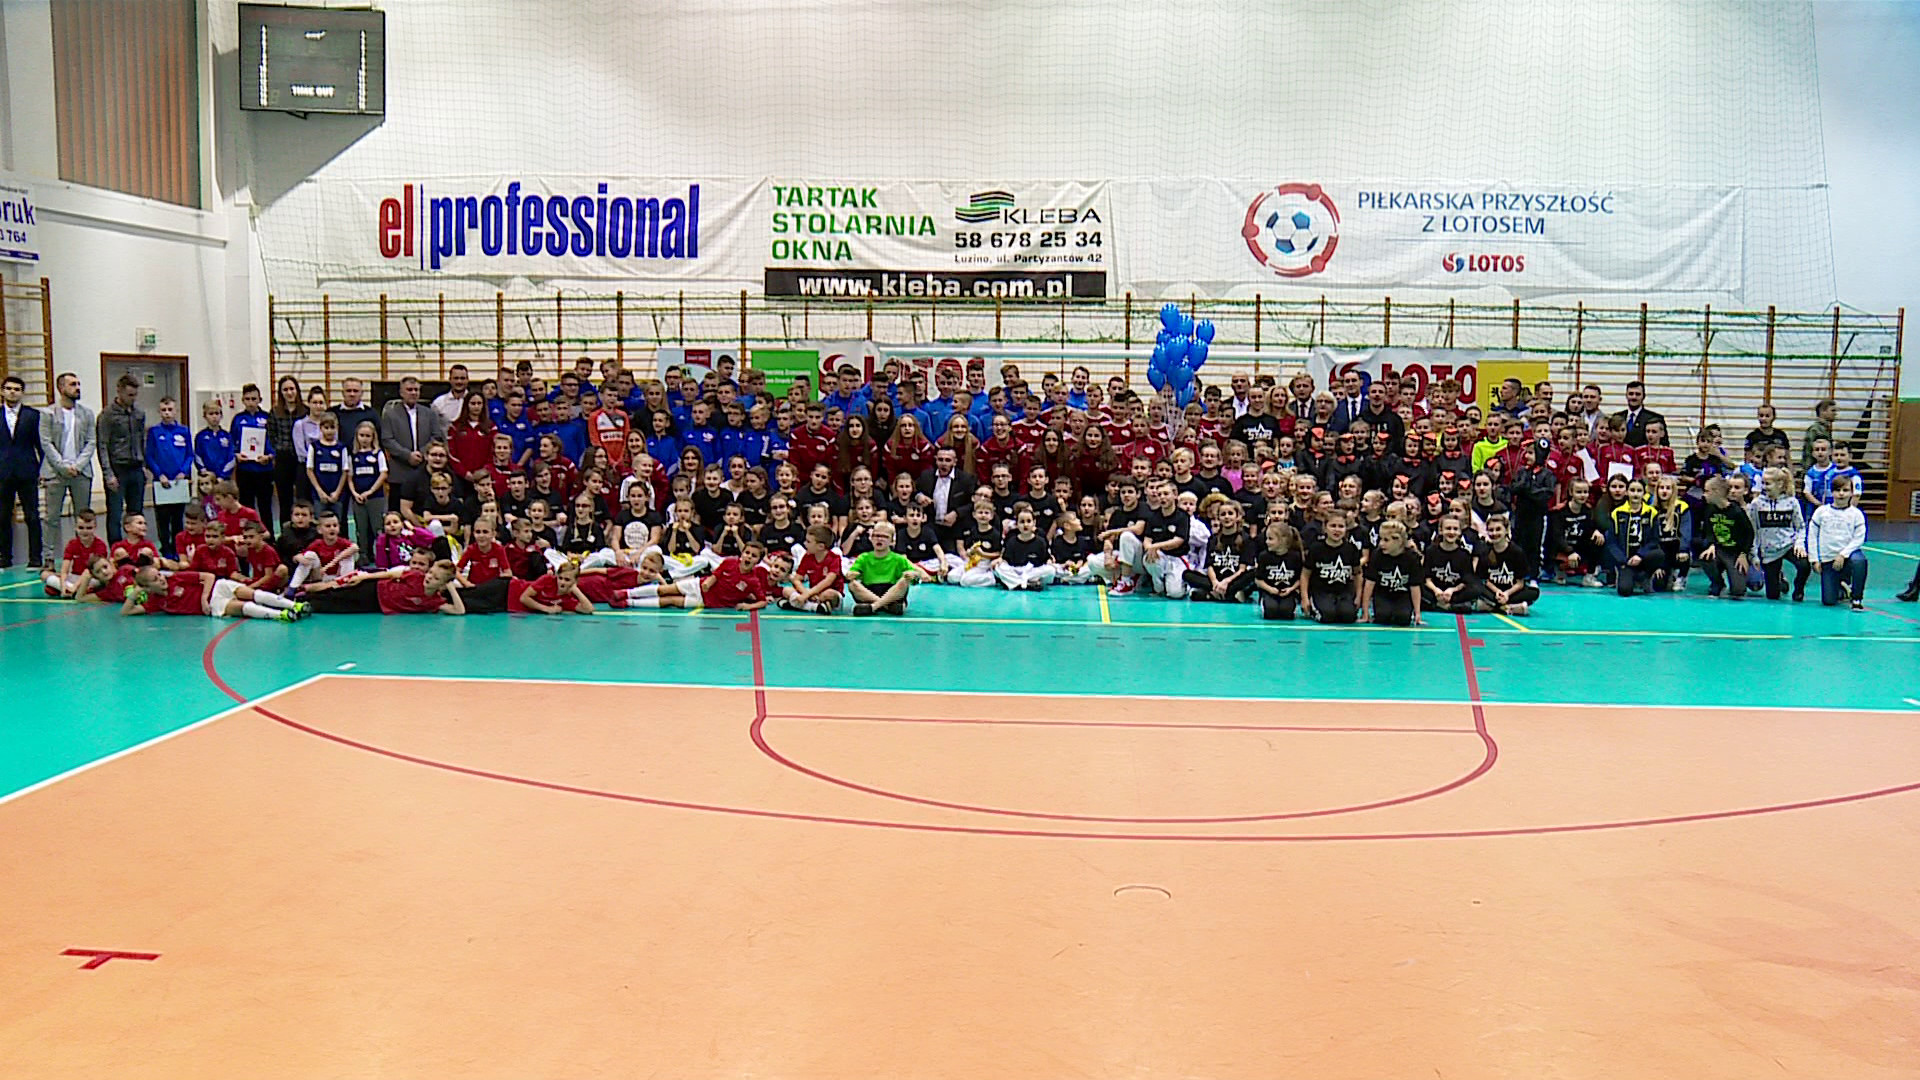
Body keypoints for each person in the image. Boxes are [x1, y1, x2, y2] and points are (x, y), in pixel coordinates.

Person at [39, 371, 96, 564]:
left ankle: (83, 556)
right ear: (61, 388)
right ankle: (48, 557)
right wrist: (63, 466)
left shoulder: (87, 414)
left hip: (81, 472)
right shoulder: (47, 414)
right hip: (55, 473)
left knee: (83, 517)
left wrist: (78, 465)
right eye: (73, 384)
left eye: (78, 384)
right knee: (52, 518)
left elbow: (91, 442)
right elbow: (46, 443)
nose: (77, 388)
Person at [122, 563, 309, 622]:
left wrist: (204, 597)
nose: (161, 579)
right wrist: (136, 592)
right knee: (244, 607)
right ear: (148, 588)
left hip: (216, 588)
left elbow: (208, 576)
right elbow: (126, 612)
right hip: (214, 606)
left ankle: (295, 605)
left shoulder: (176, 578)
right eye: (155, 580)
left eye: (159, 575)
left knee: (254, 594)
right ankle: (281, 615)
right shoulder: (156, 603)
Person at [95, 373, 148, 543]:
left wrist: (144, 466)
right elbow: (102, 445)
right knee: (115, 514)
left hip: (136, 467)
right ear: (119, 391)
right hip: (118, 468)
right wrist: (108, 474)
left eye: (135, 395)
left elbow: (142, 440)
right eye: (129, 395)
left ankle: (137, 547)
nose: (133, 398)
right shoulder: (107, 415)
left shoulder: (139, 413)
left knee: (137, 513)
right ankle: (116, 549)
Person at [0, 374, 43, 569]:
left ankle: (35, 557)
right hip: (3, 473)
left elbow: (40, 445)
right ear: (2, 391)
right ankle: (4, 557)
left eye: (17, 389)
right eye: (9, 388)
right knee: (3, 516)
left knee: (32, 516)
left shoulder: (32, 415)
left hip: (27, 472)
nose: (12, 392)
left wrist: (43, 469)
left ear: (22, 393)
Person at [1749, 466, 1810, 602]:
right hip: (1769, 550)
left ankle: (1798, 589)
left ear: (1780, 484)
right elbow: (1753, 531)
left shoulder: (1792, 502)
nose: (1764, 487)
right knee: (1773, 596)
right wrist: (1754, 555)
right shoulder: (1756, 504)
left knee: (1804, 565)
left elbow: (1800, 527)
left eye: (1768, 483)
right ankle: (1780, 580)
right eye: (1763, 483)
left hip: (1788, 545)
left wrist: (1799, 544)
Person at [380, 376, 448, 497]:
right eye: (409, 390)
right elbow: (387, 439)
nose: (413, 393)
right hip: (399, 470)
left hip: (425, 469)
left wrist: (422, 453)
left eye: (416, 390)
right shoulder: (390, 414)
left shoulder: (429, 413)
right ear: (401, 392)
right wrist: (407, 455)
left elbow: (436, 435)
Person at [1807, 475, 1868, 610]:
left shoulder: (1856, 514)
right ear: (1831, 492)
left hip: (1848, 557)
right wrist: (1815, 560)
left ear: (1851, 493)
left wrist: (1843, 554)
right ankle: (1841, 586)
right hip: (1828, 558)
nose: (1841, 494)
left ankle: (1856, 598)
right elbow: (1812, 536)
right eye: (1837, 490)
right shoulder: (1821, 512)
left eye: (1845, 490)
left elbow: (1859, 538)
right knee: (1829, 601)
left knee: (1859, 561)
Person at [143, 396, 193, 559]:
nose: (167, 413)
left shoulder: (184, 431)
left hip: (179, 481)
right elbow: (149, 456)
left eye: (170, 409)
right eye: (163, 410)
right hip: (161, 482)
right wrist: (159, 474)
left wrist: (183, 471)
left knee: (178, 518)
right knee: (163, 519)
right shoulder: (154, 432)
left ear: (176, 411)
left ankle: (178, 550)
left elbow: (189, 455)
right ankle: (165, 549)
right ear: (159, 412)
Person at [1696, 476, 1753, 600]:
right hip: (1719, 549)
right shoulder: (1709, 509)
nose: (1704, 495)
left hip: (1735, 552)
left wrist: (1743, 554)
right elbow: (1708, 530)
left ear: (1716, 492)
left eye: (1707, 491)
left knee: (1738, 591)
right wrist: (1711, 544)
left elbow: (1749, 534)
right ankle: (1717, 582)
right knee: (1705, 557)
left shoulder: (1737, 512)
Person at [1604, 478, 1662, 597]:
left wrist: (1640, 555)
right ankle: (1627, 575)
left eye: (1639, 490)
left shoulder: (1652, 513)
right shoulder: (1617, 513)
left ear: (1644, 493)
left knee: (1659, 554)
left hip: (1643, 557)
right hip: (1626, 560)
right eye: (1632, 490)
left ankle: (1645, 576)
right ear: (1626, 492)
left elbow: (1654, 540)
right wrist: (1623, 560)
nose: (1635, 494)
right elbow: (1611, 542)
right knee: (1624, 591)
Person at [1303, 512, 1363, 623]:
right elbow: (1305, 575)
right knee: (1327, 616)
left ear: (1346, 529)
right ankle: (1314, 608)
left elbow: (1358, 574)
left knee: (1348, 616)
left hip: (1344, 592)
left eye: (1341, 526)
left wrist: (1358, 596)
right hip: (1321, 591)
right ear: (1325, 528)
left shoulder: (1351, 548)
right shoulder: (1316, 548)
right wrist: (1305, 598)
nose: (1337, 530)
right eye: (1333, 526)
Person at [1363, 519, 1424, 626]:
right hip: (1383, 594)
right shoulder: (1377, 555)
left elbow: (1415, 586)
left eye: (1386, 540)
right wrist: (1365, 612)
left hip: (1403, 594)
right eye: (1380, 539)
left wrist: (1417, 613)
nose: (1381, 544)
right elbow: (1369, 583)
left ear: (1399, 541)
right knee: (1382, 616)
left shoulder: (1411, 557)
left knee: (1403, 618)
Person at [847, 521, 913, 614]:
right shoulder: (863, 557)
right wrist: (851, 575)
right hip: (869, 591)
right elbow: (851, 573)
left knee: (904, 581)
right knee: (852, 584)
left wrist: (911, 575)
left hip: (891, 591)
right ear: (871, 538)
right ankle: (886, 606)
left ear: (892, 541)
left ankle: (873, 607)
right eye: (876, 536)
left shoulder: (899, 559)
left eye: (885, 537)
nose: (880, 539)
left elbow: (913, 574)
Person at [1252, 521, 1305, 620]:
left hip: (1288, 592)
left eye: (1270, 539)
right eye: (1267, 538)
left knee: (1287, 613)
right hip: (1269, 591)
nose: (1267, 542)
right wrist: (1270, 589)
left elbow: (1300, 579)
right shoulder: (1264, 556)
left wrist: (1291, 589)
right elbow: (1258, 580)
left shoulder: (1295, 557)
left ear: (1283, 540)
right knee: (1271, 611)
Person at [994, 508, 1054, 591]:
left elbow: (1046, 559)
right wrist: (1001, 561)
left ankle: (1018, 583)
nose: (1025, 525)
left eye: (1028, 521)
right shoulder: (1011, 541)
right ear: (1017, 524)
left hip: (1033, 572)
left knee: (1051, 570)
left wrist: (1049, 561)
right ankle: (1025, 584)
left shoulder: (1041, 541)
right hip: (1016, 570)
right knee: (999, 568)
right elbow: (1006, 560)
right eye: (1022, 522)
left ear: (1034, 522)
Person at [1609, 380, 1665, 448]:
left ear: (1644, 396)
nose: (1634, 397)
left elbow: (1663, 447)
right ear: (1626, 396)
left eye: (1637, 394)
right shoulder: (1617, 416)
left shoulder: (1655, 418)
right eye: (1631, 394)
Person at [1800, 398, 1837, 469]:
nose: (1835, 413)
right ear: (1823, 412)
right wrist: (1808, 472)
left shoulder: (1824, 429)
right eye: (1832, 410)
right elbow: (1809, 454)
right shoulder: (1815, 430)